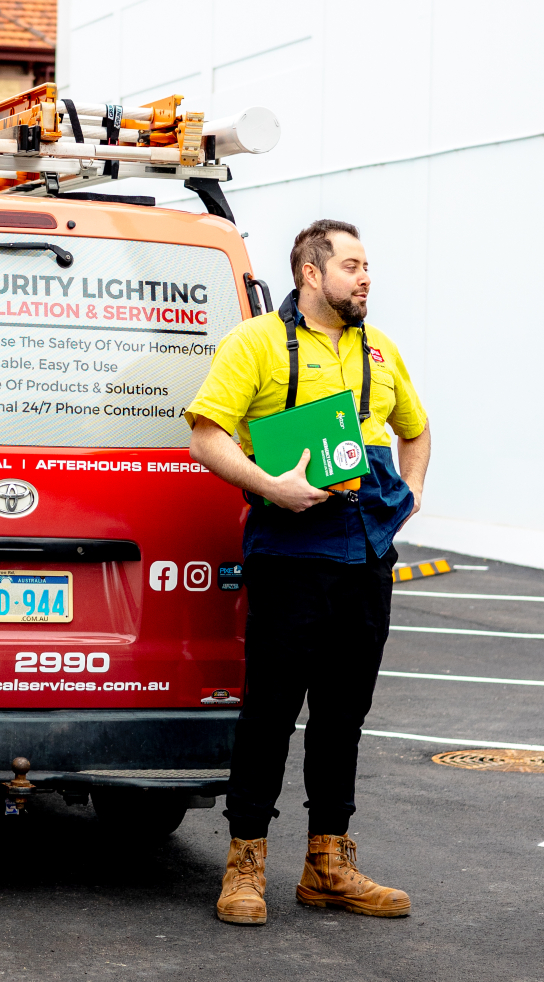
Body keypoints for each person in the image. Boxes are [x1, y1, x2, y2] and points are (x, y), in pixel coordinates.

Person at [186, 218, 430, 925]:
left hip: (365, 556)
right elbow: (206, 434)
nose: (365, 277)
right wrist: (270, 485)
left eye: (366, 265)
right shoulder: (256, 342)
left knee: (342, 716)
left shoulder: (379, 349)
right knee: (269, 714)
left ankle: (327, 862)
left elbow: (415, 428)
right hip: (291, 556)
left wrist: (408, 497)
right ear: (310, 273)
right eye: (352, 265)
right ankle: (245, 864)